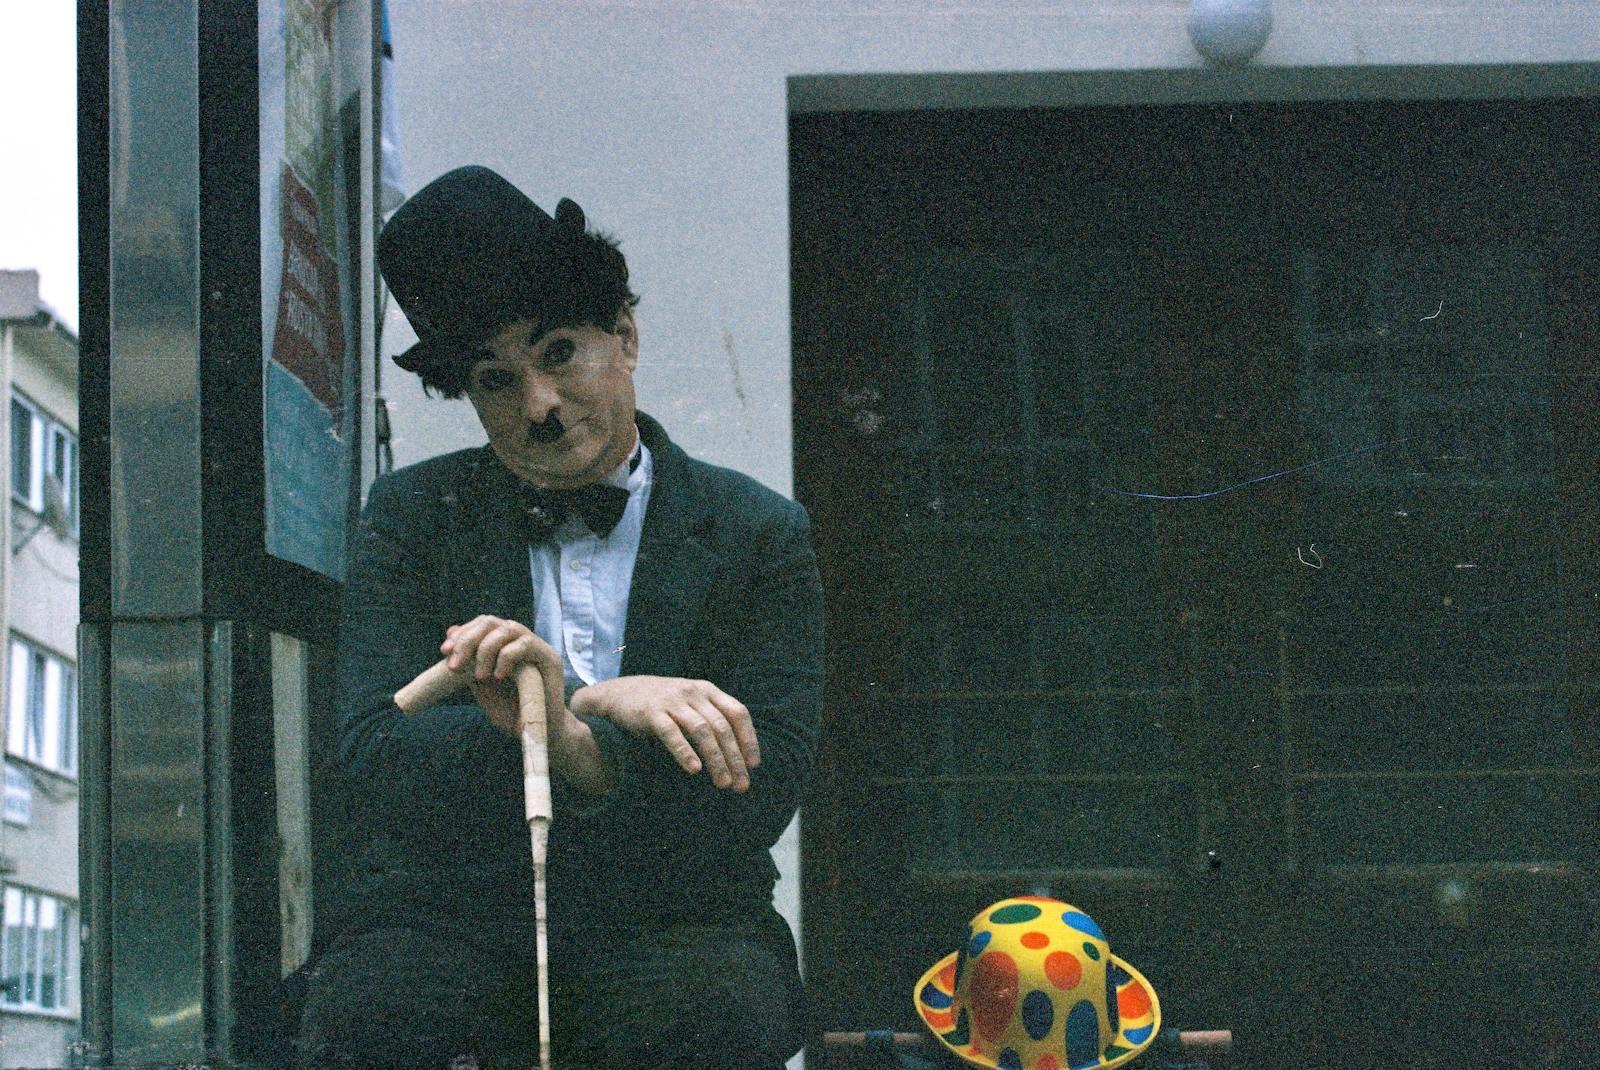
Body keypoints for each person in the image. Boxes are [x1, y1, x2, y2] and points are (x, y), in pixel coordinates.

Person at [297, 166, 825, 1070]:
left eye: (558, 355)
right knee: (369, 1017)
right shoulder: (410, 515)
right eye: (495, 380)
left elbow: (761, 787)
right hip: (451, 913)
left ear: (623, 335)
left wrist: (573, 716)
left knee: (714, 1015)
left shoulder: (756, 531)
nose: (537, 405)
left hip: (677, 913)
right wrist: (584, 707)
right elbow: (368, 757)